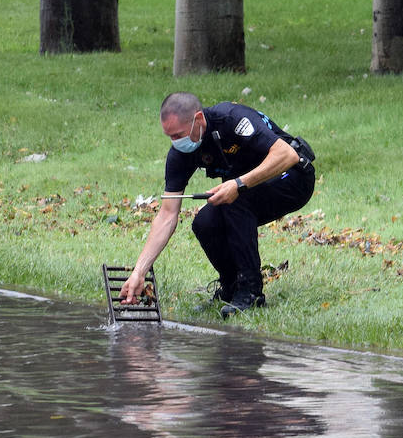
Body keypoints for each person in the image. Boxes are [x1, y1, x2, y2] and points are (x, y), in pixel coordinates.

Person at [120, 91, 315, 318]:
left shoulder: (232, 119)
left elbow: (287, 155)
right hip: (248, 189)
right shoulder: (180, 153)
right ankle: (231, 288)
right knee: (204, 223)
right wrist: (139, 271)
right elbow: (166, 215)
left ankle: (251, 292)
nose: (175, 142)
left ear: (199, 119)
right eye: (170, 136)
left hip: (293, 177)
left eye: (179, 134)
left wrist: (239, 184)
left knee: (235, 198)